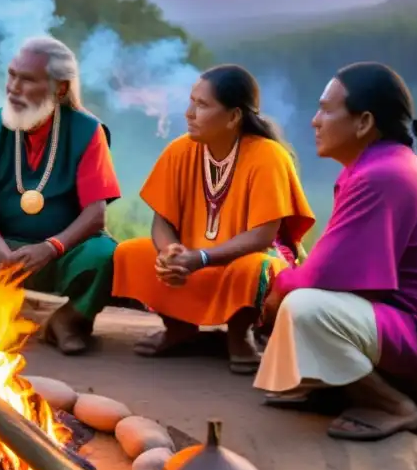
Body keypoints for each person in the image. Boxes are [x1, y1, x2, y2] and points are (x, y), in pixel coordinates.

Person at [254, 62, 417, 441]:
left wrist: (278, 289)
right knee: (304, 299)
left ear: (363, 123)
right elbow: (346, 268)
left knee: (303, 308)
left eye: (327, 110)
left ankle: (392, 405)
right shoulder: (378, 165)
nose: (315, 121)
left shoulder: (382, 175)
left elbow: (326, 275)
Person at [112, 65, 316, 373]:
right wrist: (171, 253)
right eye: (191, 101)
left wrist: (203, 257)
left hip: (239, 265)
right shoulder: (179, 150)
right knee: (130, 253)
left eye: (202, 105)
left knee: (259, 269)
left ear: (234, 116)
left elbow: (262, 237)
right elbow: (161, 221)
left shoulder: (268, 156)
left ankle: (240, 335)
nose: (189, 113)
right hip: (191, 263)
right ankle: (179, 328)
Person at [0, 36, 122, 356]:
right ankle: (2, 313)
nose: (13, 87)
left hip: (65, 251)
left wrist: (51, 248)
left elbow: (96, 214)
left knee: (106, 254)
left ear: (60, 89)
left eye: (27, 79)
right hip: (4, 248)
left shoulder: (88, 130)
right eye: (11, 75)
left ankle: (70, 320)